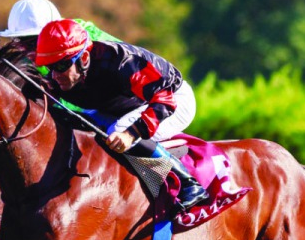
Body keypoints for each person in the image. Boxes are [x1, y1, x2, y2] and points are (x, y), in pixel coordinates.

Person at [34, 18, 209, 211]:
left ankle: (188, 184)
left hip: (173, 100)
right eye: (49, 67)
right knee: (83, 123)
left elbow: (164, 101)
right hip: (129, 106)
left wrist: (131, 133)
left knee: (118, 130)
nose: (54, 75)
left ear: (83, 58)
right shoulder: (61, 76)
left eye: (61, 66)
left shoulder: (122, 62)